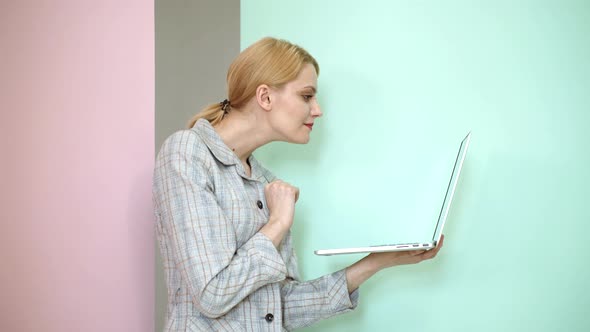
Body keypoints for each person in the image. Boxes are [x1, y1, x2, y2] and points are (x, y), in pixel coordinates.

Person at [152, 36, 444, 332]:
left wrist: (376, 262)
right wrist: (277, 224)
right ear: (265, 97)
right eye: (307, 96)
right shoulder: (187, 153)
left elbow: (279, 310)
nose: (317, 110)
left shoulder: (267, 183)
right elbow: (211, 294)